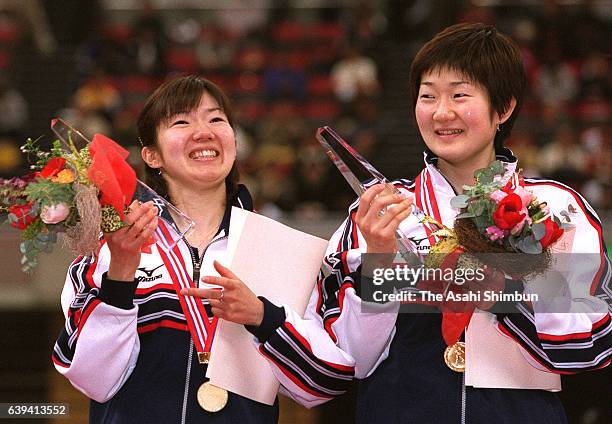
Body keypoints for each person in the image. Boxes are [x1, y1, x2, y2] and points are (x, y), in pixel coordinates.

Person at [310, 23, 610, 423]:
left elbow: (586, 346)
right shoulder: (378, 213)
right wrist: (379, 261)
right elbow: (350, 359)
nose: (441, 112)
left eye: (459, 95)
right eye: (428, 96)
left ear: (503, 108)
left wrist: (498, 286)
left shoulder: (555, 208)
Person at [52, 75, 355, 423]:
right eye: (182, 121)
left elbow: (322, 384)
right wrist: (121, 273)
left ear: (234, 142)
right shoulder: (109, 250)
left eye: (216, 119)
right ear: (151, 155)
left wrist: (262, 316)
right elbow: (93, 381)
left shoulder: (279, 250)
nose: (204, 131)